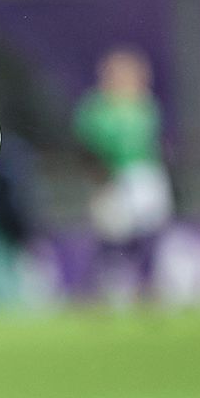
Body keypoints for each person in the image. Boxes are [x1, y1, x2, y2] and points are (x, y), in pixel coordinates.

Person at [72, 46, 174, 303]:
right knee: (110, 236)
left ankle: (147, 286)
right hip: (112, 177)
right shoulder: (95, 107)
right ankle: (94, 290)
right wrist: (98, 179)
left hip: (144, 175)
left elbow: (152, 144)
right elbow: (87, 149)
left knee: (149, 234)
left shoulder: (146, 105)